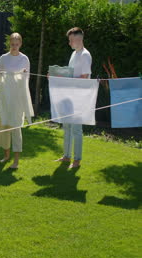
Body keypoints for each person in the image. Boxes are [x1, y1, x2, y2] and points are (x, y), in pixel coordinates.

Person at [0, 33, 34, 169]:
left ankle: (16, 161)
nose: (14, 47)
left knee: (16, 128)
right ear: (9, 43)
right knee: (4, 126)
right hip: (5, 98)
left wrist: (21, 74)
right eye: (12, 44)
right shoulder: (3, 58)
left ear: (20, 44)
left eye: (17, 44)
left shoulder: (25, 59)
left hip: (17, 99)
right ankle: (6, 155)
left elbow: (26, 80)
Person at [55, 27, 92, 168]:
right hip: (69, 95)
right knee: (67, 126)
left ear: (78, 39)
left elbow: (84, 77)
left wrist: (65, 78)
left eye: (71, 40)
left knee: (76, 129)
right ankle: (66, 156)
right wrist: (56, 74)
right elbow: (70, 73)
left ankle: (77, 160)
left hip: (80, 97)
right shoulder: (74, 54)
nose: (69, 43)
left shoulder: (85, 55)